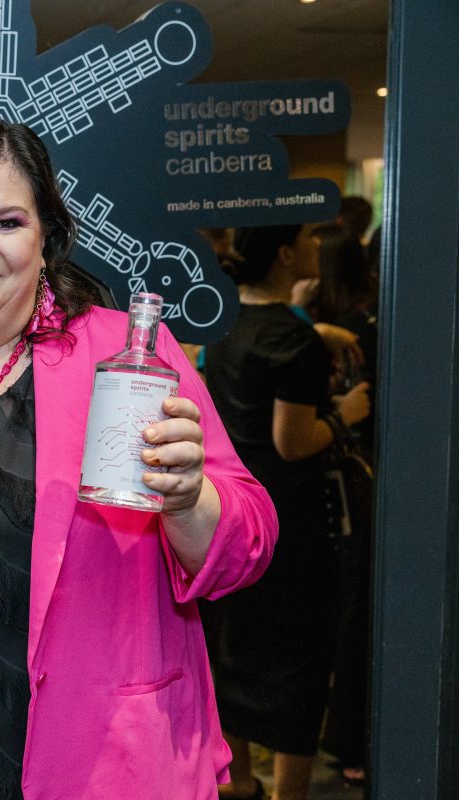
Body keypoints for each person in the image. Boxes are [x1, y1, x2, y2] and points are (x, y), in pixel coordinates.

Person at [0, 117, 278, 800]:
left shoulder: (124, 362)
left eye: (7, 223)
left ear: (46, 243)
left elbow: (246, 547)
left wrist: (189, 500)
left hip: (90, 769)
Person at [202, 225, 371, 800]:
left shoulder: (222, 326)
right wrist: (346, 412)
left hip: (232, 514)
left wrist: (313, 330)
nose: (316, 247)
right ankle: (289, 794)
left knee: (237, 650)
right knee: (300, 662)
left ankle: (242, 780)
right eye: (306, 240)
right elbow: (293, 440)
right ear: (284, 254)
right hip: (293, 522)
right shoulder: (292, 344)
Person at [311, 223, 378, 788]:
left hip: (324, 491)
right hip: (336, 489)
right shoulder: (316, 328)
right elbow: (291, 435)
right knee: (350, 612)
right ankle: (343, 741)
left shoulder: (314, 322)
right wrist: (342, 417)